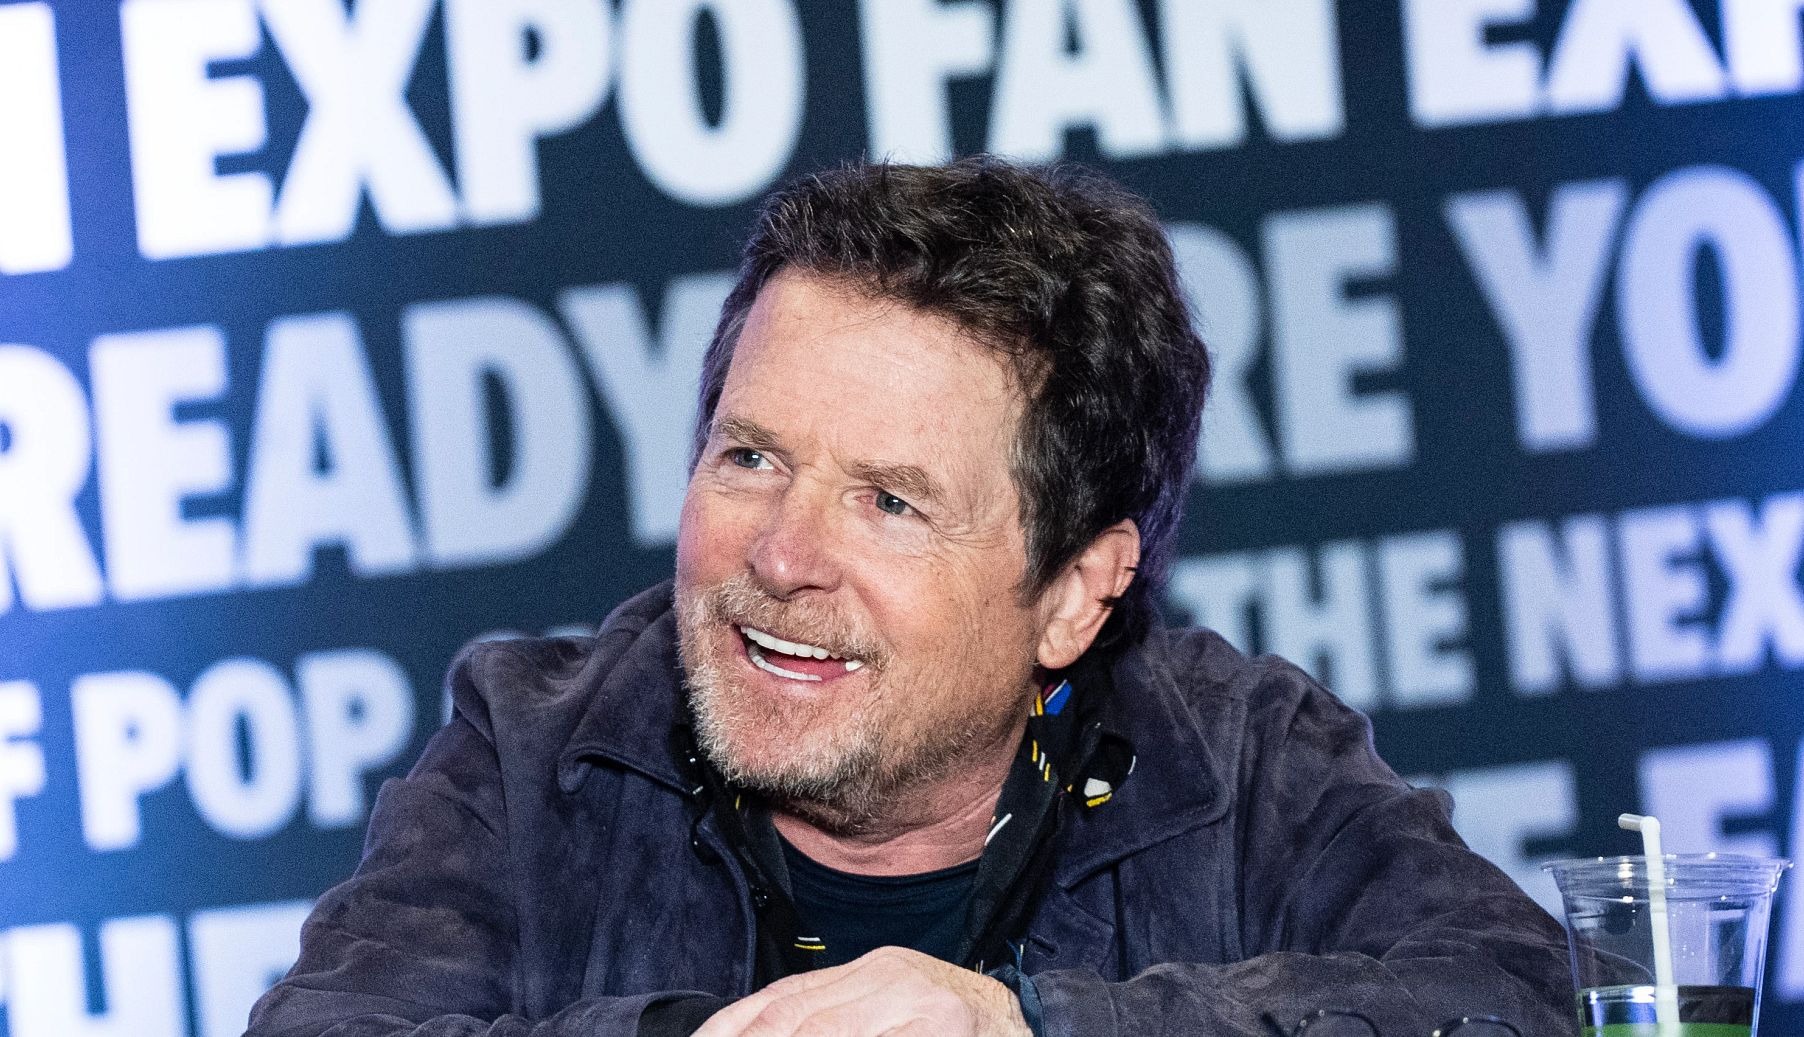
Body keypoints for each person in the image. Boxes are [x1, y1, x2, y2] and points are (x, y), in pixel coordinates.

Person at [246, 158, 1576, 1037]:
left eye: (889, 501)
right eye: (751, 458)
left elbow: (1523, 998)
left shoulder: (1233, 762)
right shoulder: (540, 749)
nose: (781, 555)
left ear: (1074, 594)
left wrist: (1033, 1026)